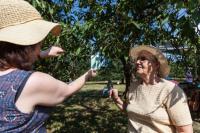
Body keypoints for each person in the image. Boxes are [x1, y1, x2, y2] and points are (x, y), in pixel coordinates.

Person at [0, 0, 96, 132]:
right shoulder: (34, 82)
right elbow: (68, 90)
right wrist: (87, 75)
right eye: (40, 41)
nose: (41, 44)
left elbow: (12, 61)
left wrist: (42, 54)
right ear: (29, 44)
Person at [110, 45, 193, 133]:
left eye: (143, 59)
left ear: (156, 64)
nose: (137, 62)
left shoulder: (171, 91)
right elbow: (132, 112)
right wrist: (117, 99)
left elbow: (185, 130)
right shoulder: (133, 86)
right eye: (137, 59)